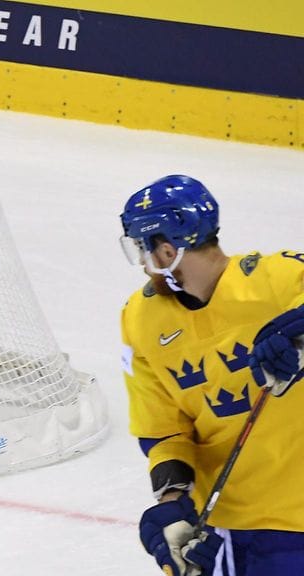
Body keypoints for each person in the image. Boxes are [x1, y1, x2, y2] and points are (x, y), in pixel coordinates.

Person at [119, 174, 304, 575]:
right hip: (237, 530)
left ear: (165, 249)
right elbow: (164, 432)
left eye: (142, 248)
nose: (143, 263)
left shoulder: (279, 279)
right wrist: (171, 502)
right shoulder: (140, 320)